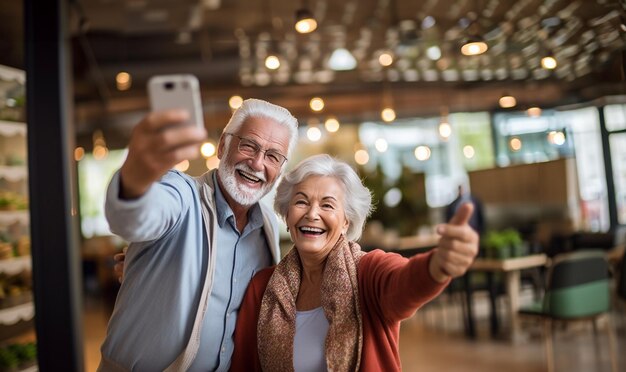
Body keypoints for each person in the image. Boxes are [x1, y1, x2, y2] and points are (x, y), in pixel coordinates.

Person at [98, 98, 299, 371]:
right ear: (222, 146)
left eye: (273, 156)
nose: (257, 163)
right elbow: (135, 216)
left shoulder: (267, 225)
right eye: (248, 145)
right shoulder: (182, 193)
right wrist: (136, 175)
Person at [230, 154, 479, 371]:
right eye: (301, 201)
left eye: (327, 205)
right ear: (286, 214)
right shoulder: (262, 288)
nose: (312, 214)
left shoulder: (369, 272)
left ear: (346, 221)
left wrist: (438, 265)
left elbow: (403, 283)